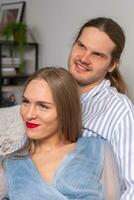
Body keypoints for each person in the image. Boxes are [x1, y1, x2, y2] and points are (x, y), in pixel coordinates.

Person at [0, 67, 120, 200]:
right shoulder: (9, 165)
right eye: (26, 102)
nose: (29, 114)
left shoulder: (97, 150)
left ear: (65, 111)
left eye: (43, 106)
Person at [68, 17, 134, 200]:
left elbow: (132, 188)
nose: (84, 58)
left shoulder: (120, 111)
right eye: (81, 46)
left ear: (112, 64)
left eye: (97, 54)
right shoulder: (49, 96)